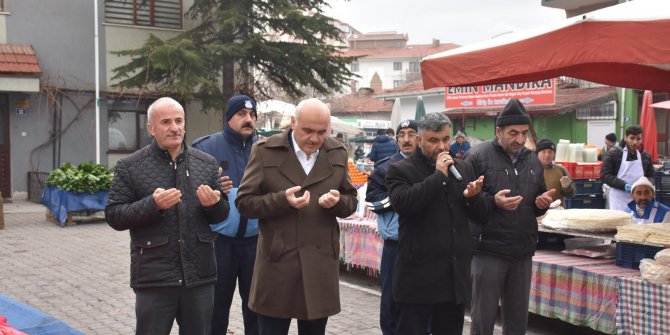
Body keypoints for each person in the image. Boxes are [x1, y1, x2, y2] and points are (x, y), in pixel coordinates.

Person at [105, 97, 229, 335]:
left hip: (199, 277)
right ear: (150, 128)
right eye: (166, 122)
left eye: (179, 120)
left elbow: (221, 215)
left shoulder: (206, 163)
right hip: (155, 278)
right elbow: (114, 215)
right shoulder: (130, 166)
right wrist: (153, 205)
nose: (174, 127)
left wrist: (213, 205)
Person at [235, 98, 358, 335]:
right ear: (293, 123)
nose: (314, 139)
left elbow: (351, 201)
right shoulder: (265, 151)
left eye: (322, 132)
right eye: (308, 131)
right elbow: (244, 202)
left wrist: (337, 203)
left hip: (319, 264)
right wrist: (281, 200)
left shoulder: (337, 152)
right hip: (278, 263)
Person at [386, 112, 487, 335]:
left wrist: (473, 198)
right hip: (417, 281)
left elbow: (481, 215)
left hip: (452, 279)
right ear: (419, 140)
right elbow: (404, 203)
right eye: (433, 140)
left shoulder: (463, 167)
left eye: (445, 139)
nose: (441, 147)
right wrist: (438, 176)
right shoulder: (400, 170)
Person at [464, 98, 554, 335]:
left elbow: (537, 200)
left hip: (522, 252)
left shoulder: (532, 159)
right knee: (482, 320)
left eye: (524, 133)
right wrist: (493, 201)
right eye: (513, 133)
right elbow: (464, 202)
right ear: (498, 131)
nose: (519, 139)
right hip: (488, 251)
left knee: (517, 322)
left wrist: (541, 204)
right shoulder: (477, 156)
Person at [192, 94, 259, 335]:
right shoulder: (205, 148)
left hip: (256, 243)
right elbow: (189, 194)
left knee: (257, 311)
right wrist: (212, 189)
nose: (247, 119)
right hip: (219, 244)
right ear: (228, 118)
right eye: (241, 114)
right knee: (215, 312)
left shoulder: (266, 149)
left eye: (252, 115)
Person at [364, 119, 420, 335]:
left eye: (411, 134)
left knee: (422, 299)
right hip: (395, 244)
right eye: (402, 134)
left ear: (420, 137)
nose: (406, 139)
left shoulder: (431, 166)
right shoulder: (385, 168)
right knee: (391, 299)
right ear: (396, 139)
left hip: (425, 244)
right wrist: (401, 199)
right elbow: (372, 200)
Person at [601, 125, 655, 211]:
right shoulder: (613, 154)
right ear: (625, 138)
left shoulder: (645, 156)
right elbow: (605, 175)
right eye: (632, 138)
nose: (635, 142)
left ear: (642, 139)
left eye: (638, 139)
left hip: (640, 199)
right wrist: (624, 186)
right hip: (619, 199)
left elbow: (651, 175)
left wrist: (646, 184)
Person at [535, 138, 576, 203]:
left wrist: (567, 187)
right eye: (544, 152)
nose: (547, 155)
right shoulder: (530, 170)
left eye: (550, 152)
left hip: (558, 211)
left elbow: (571, 195)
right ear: (537, 153)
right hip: (536, 211)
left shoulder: (561, 170)